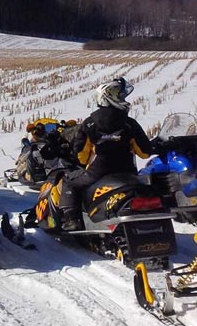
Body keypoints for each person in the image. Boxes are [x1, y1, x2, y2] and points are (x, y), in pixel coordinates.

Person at [60, 78, 156, 232]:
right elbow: (145, 153)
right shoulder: (129, 123)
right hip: (127, 172)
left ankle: (72, 219)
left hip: (98, 172)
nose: (122, 99)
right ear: (108, 97)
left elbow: (81, 157)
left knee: (69, 182)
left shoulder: (89, 123)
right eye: (119, 95)